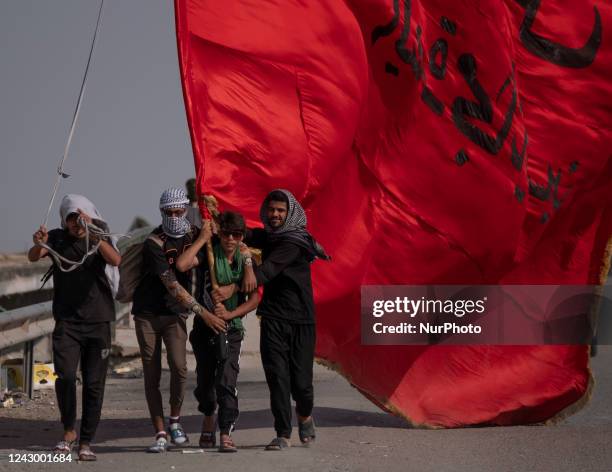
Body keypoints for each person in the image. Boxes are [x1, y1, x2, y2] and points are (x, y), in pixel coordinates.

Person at [28, 194, 121, 461]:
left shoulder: (98, 237)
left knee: (94, 384)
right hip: (67, 322)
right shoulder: (57, 238)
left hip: (98, 321)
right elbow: (35, 256)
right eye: (71, 217)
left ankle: (86, 441)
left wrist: (93, 231)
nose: (76, 223)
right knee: (66, 376)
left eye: (80, 217)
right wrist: (38, 243)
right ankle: (68, 431)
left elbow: (116, 261)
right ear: (64, 220)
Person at [131, 187, 225, 453]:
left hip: (174, 315)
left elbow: (227, 248)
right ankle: (160, 431)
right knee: (152, 372)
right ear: (161, 212)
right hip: (147, 313)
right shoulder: (154, 242)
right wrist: (202, 312)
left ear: (186, 209)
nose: (174, 215)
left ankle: (175, 420)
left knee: (180, 367)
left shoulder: (198, 233)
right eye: (169, 212)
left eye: (179, 211)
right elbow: (173, 283)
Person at [244, 189, 330, 450]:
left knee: (301, 384)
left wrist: (244, 276)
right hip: (272, 318)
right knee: (277, 378)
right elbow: (243, 232)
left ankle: (304, 415)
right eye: (271, 210)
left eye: (280, 210)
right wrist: (216, 221)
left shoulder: (294, 242)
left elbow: (268, 271)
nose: (275, 215)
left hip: (301, 320)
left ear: (290, 212)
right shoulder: (268, 237)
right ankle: (282, 433)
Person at [176, 211, 259, 453]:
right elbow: (181, 265)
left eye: (236, 234)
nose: (230, 239)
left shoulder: (247, 260)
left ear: (242, 236)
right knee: (204, 383)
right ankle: (208, 414)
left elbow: (254, 300)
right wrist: (203, 238)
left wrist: (230, 315)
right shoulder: (208, 254)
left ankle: (225, 430)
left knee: (226, 381)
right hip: (204, 326)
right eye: (226, 234)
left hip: (231, 329)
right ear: (219, 233)